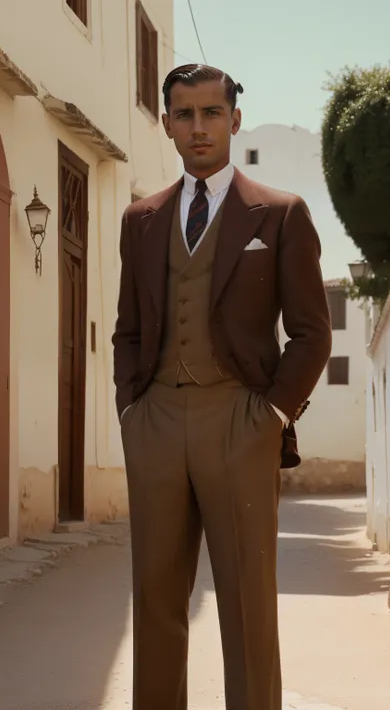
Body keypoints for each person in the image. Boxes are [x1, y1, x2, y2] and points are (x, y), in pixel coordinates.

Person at [112, 63, 332, 710]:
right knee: (154, 602)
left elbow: (313, 333)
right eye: (185, 114)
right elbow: (127, 328)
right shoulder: (140, 219)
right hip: (155, 423)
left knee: (247, 608)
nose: (199, 127)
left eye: (212, 113)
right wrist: (132, 407)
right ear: (167, 124)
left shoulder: (281, 214)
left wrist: (269, 415)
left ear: (234, 120)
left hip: (240, 422)